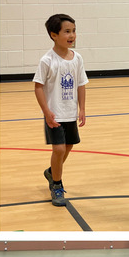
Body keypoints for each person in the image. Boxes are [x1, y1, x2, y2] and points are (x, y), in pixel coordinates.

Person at [33, 14, 88, 206]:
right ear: (54, 35)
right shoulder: (47, 60)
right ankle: (56, 184)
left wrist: (82, 108)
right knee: (58, 149)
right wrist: (46, 112)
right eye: (67, 31)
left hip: (70, 112)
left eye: (74, 31)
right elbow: (38, 87)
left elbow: (81, 84)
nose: (72, 35)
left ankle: (51, 171)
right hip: (54, 114)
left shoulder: (77, 58)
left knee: (68, 146)